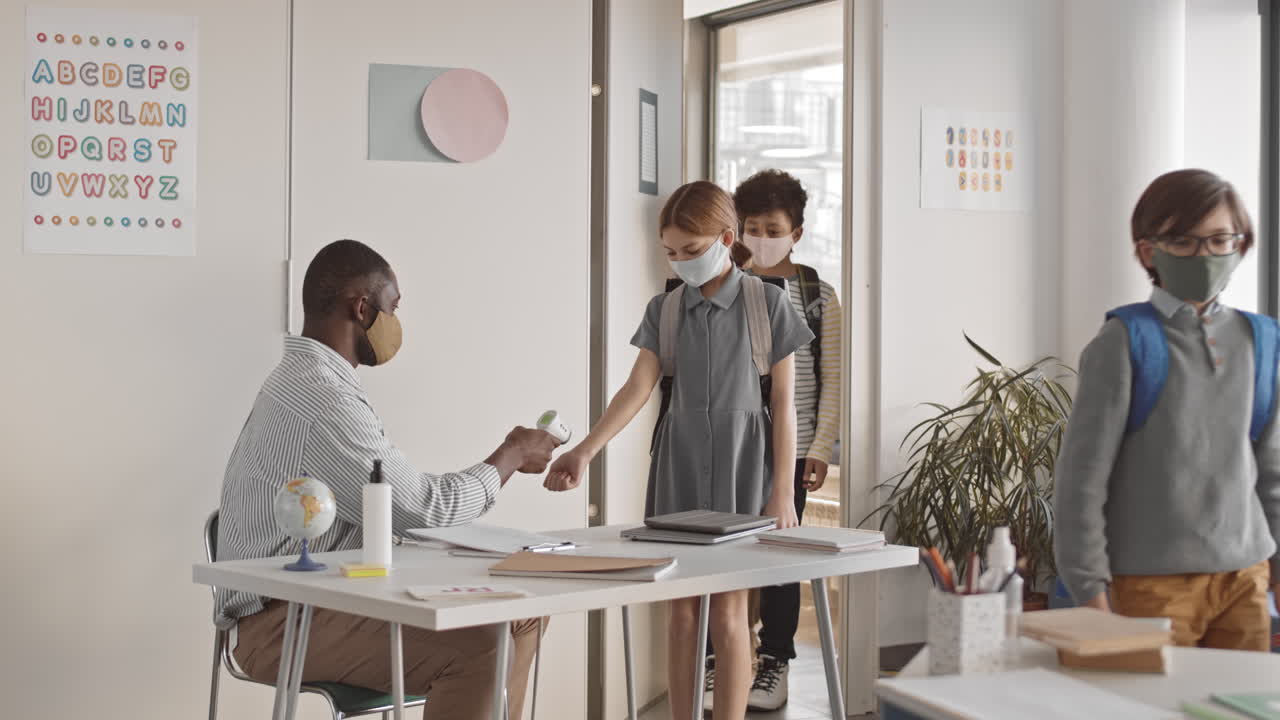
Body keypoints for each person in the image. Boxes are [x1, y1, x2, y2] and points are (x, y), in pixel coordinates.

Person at [216, 239, 561, 720]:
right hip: (280, 620)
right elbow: (422, 508)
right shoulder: (321, 397)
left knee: (520, 615)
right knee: (481, 646)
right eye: (393, 308)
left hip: (329, 596)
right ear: (362, 309)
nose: (396, 323)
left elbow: (397, 506)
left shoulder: (315, 380)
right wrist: (511, 455)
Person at [542, 180, 813, 720]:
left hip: (743, 466)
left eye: (691, 250)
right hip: (679, 467)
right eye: (670, 251)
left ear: (726, 238)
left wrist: (782, 489)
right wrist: (585, 451)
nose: (680, 261)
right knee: (682, 612)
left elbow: (784, 403)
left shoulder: (768, 303)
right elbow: (636, 388)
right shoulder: (664, 310)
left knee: (730, 612)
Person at [1054, 169, 1280, 650]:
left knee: (1245, 695)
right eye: (1182, 241)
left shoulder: (1261, 340)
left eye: (1219, 239)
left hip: (1247, 578)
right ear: (1147, 251)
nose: (1205, 255)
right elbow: (1081, 481)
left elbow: (1272, 472)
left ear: (1240, 245)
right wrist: (1089, 591)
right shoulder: (1124, 341)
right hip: (1149, 585)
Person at [731, 169, 843, 710]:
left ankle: (775, 659)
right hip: (732, 444)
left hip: (792, 450)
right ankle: (725, 657)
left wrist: (819, 448)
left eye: (772, 229)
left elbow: (833, 378)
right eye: (751, 227)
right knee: (727, 552)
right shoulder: (726, 283)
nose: (761, 238)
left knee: (780, 555)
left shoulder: (818, 295)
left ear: (795, 232)